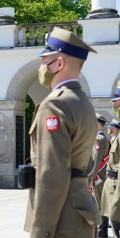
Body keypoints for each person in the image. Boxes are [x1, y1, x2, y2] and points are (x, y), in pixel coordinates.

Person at [24, 27, 101, 238]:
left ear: (59, 63)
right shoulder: (83, 102)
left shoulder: (55, 104)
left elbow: (52, 173)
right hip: (81, 212)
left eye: (45, 60)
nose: (41, 66)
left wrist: (41, 231)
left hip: (61, 221)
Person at [88, 114, 110, 237]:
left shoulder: (99, 139)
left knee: (100, 205)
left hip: (98, 177)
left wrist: (90, 179)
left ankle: (102, 233)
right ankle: (102, 232)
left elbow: (96, 163)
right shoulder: (101, 138)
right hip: (100, 177)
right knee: (101, 204)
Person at [100, 103, 120, 236]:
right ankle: (104, 232)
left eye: (112, 127)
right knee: (108, 210)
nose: (110, 129)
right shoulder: (114, 139)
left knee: (114, 212)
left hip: (116, 182)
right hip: (111, 180)